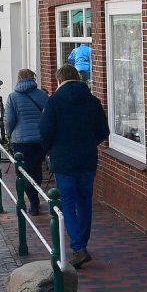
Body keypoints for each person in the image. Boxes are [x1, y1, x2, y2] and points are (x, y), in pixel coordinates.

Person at [38, 64, 109, 269]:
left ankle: (78, 247)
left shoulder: (54, 102)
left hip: (64, 161)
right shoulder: (93, 101)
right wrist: (89, 144)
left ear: (59, 80)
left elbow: (45, 131)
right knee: (85, 201)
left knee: (67, 203)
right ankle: (82, 244)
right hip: (87, 159)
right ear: (77, 78)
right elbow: (103, 131)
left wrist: (52, 149)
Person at [4, 69, 49, 216]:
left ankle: (33, 202)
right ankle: (35, 197)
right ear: (33, 78)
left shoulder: (13, 97)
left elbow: (9, 120)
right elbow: (49, 117)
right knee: (36, 170)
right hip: (39, 140)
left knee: (23, 172)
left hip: (21, 141)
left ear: (18, 79)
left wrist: (9, 134)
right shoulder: (42, 95)